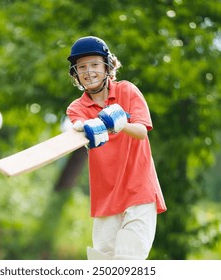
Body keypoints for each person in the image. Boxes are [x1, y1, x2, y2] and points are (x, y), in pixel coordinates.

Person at [66, 36, 167, 260]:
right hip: (105, 197)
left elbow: (141, 131)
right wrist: (82, 127)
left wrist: (119, 124)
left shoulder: (127, 91)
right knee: (103, 265)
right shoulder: (77, 107)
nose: (88, 71)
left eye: (94, 64)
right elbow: (78, 125)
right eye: (81, 67)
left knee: (128, 260)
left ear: (107, 66)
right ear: (75, 73)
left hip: (138, 189)